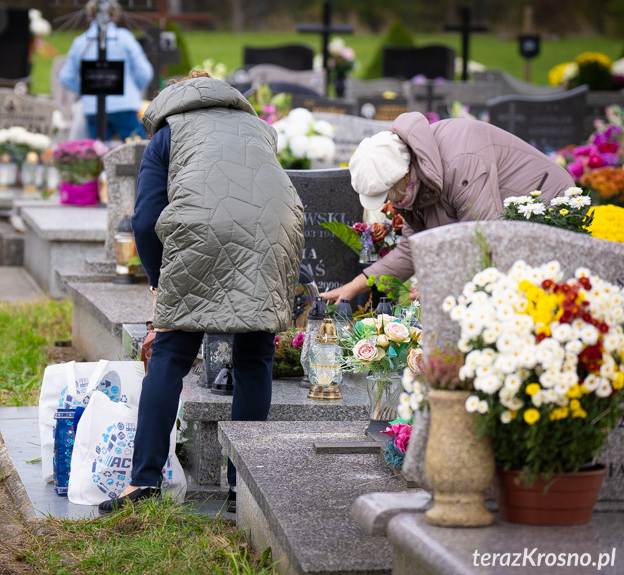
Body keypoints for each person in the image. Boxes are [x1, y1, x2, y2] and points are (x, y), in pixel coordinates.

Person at [97, 71, 305, 514]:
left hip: (198, 234)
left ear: (172, 97)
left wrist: (159, 281)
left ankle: (144, 483)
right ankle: (241, 488)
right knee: (255, 358)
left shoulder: (170, 131)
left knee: (170, 355)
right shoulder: (259, 129)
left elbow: (146, 216)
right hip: (273, 234)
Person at [321, 111, 576, 304]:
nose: (389, 202)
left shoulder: (461, 161)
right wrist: (355, 286)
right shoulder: (414, 183)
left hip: (546, 206)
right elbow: (413, 248)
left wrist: (441, 280)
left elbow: (486, 236)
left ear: (402, 173)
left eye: (388, 193)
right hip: (502, 228)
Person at [58, 0, 153, 141]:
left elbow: (66, 77)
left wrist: (87, 88)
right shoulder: (124, 38)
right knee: (137, 153)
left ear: (89, 15)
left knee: (99, 153)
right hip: (123, 105)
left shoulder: (81, 42)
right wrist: (133, 88)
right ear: (114, 15)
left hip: (93, 107)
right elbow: (145, 71)